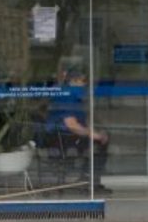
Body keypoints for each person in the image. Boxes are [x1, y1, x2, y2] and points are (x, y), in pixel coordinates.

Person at [46, 63, 112, 196]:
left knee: (100, 138)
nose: (85, 84)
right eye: (83, 80)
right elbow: (72, 125)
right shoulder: (67, 95)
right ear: (74, 80)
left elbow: (82, 121)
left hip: (67, 135)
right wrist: (94, 135)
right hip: (62, 138)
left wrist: (94, 131)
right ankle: (89, 180)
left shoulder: (73, 95)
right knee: (97, 143)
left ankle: (89, 178)